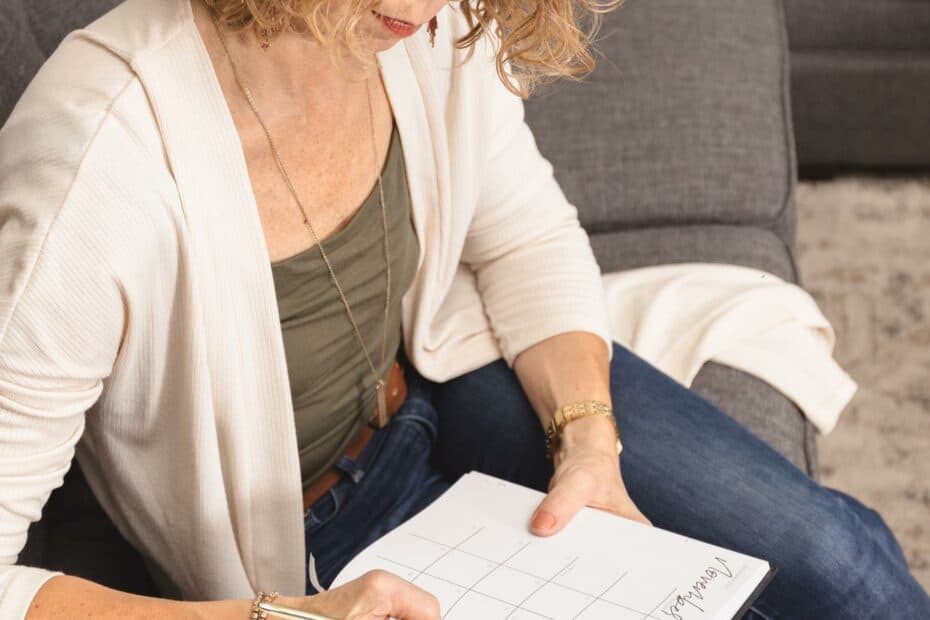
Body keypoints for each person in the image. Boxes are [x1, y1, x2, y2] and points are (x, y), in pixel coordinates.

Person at [0, 0, 927, 618]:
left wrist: (590, 445)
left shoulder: (415, 23)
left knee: (839, 555)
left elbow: (523, 237)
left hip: (444, 379)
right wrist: (281, 616)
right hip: (299, 534)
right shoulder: (94, 164)